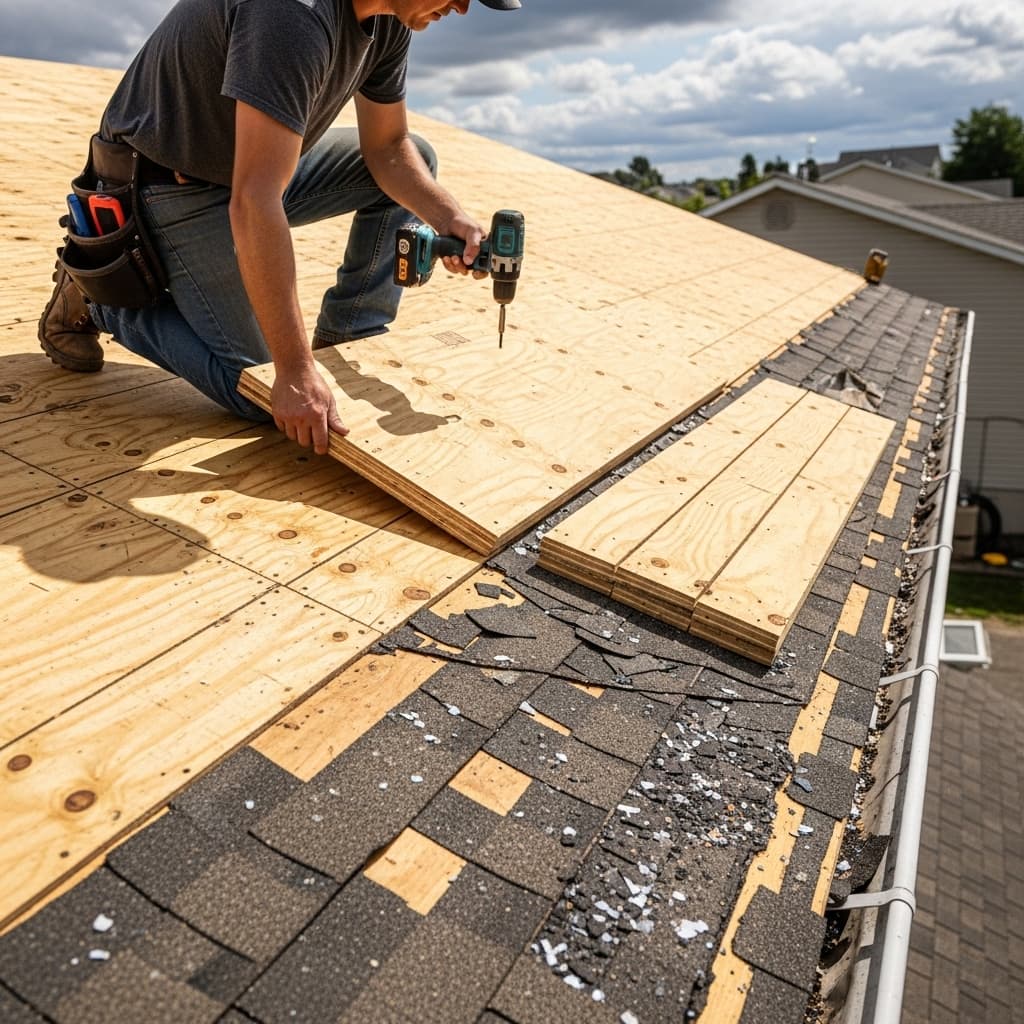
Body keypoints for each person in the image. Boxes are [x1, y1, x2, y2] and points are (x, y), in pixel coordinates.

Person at [38, 0, 521, 454]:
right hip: (166, 184)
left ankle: (351, 334)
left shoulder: (391, 19)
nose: (460, 7)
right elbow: (254, 203)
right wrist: (292, 372)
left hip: (248, 169)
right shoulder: (293, 16)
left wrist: (447, 216)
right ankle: (101, 299)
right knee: (261, 393)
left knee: (421, 156)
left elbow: (389, 147)